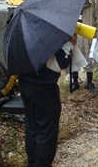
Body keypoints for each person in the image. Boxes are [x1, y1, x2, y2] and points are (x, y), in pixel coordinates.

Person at [19, 36, 77, 167]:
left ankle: (33, 163)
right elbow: (58, 63)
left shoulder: (25, 31)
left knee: (32, 126)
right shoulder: (46, 32)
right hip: (44, 86)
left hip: (25, 84)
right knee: (46, 130)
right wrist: (69, 45)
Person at [72, 0, 98, 92]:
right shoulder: (71, 0)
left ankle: (89, 82)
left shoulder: (92, 0)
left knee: (89, 58)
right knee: (74, 58)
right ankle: (75, 82)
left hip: (89, 33)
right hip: (75, 33)